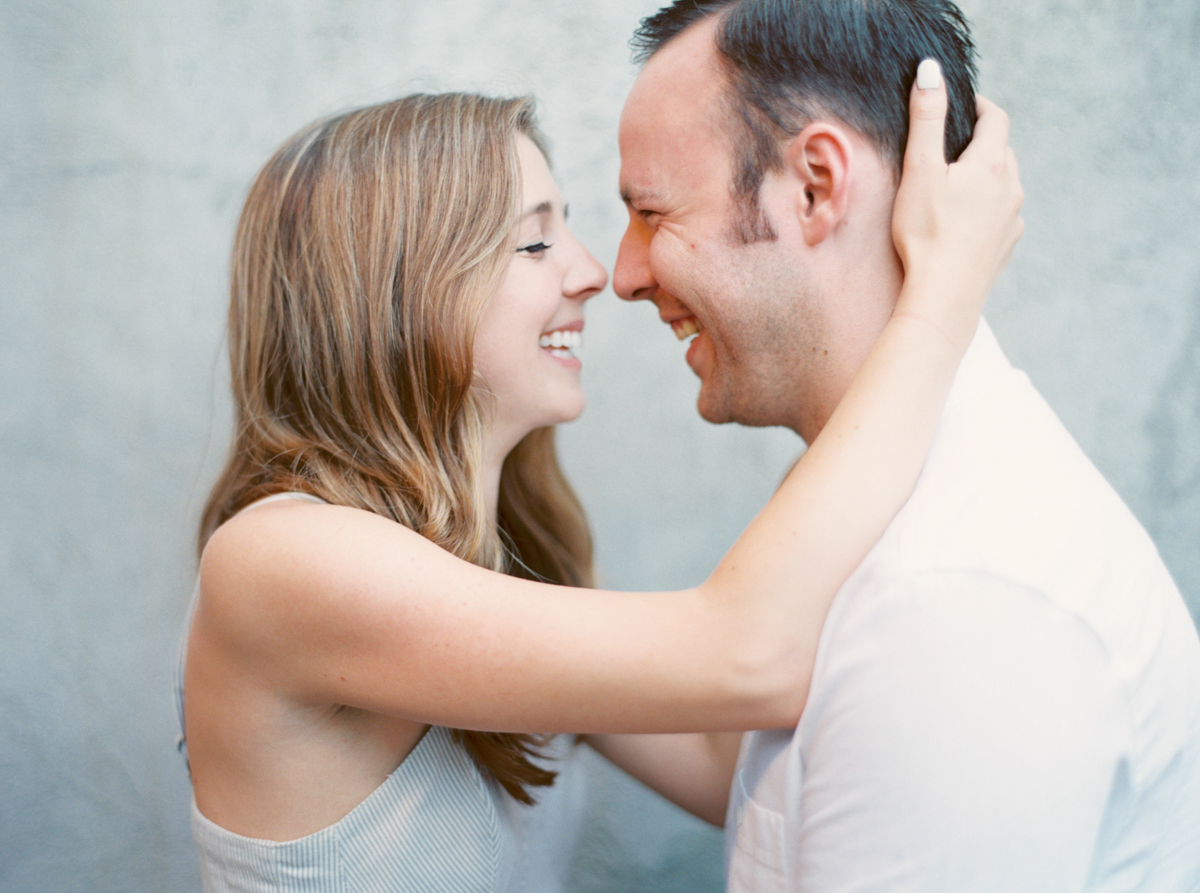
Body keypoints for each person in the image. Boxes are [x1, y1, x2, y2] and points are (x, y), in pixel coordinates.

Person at [178, 78, 1020, 891]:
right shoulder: (278, 561)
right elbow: (751, 655)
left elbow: (718, 766)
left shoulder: (500, 562)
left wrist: (841, 316)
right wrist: (941, 292)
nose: (591, 273)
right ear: (399, 288)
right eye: (536, 241)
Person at [611, 1, 1200, 890]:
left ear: (814, 187)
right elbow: (760, 771)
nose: (622, 273)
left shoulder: (956, 607)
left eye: (653, 213)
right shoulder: (875, 498)